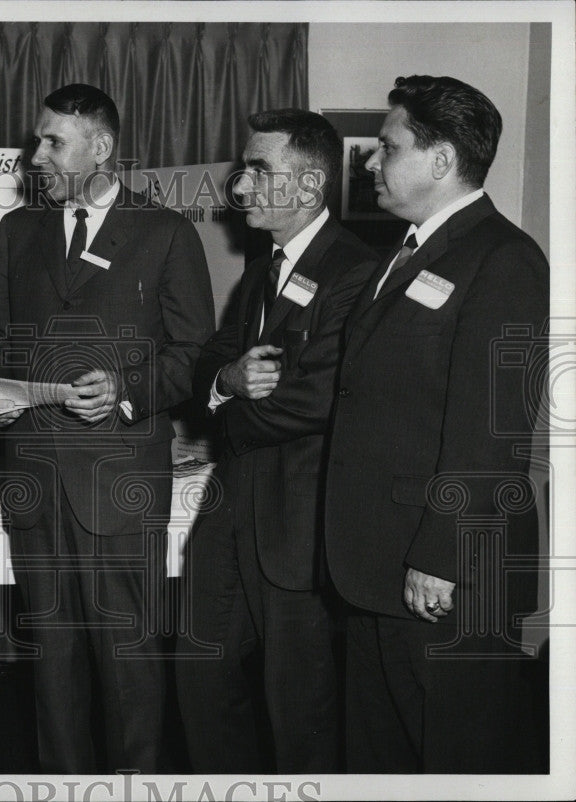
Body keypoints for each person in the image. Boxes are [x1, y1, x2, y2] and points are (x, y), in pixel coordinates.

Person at [0, 83, 215, 773]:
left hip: (120, 485)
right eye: (38, 139)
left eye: (53, 140)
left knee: (127, 663)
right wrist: (6, 393)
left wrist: (126, 392)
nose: (36, 154)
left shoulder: (166, 232)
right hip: (35, 481)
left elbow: (194, 354)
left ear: (100, 147)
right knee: (52, 664)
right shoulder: (18, 232)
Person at [324, 75, 549, 772]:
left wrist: (439, 557)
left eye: (386, 147)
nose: (369, 162)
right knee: (381, 758)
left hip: (444, 573)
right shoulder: (404, 253)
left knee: (453, 762)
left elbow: (492, 427)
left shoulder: (504, 259)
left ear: (442, 160)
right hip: (377, 563)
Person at [175, 109, 377, 773]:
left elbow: (315, 399)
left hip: (300, 530)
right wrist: (228, 382)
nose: (241, 186)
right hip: (230, 517)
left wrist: (223, 402)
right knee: (203, 683)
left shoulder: (356, 272)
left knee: (301, 712)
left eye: (260, 171)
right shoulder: (264, 269)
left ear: (311, 186)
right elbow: (212, 360)